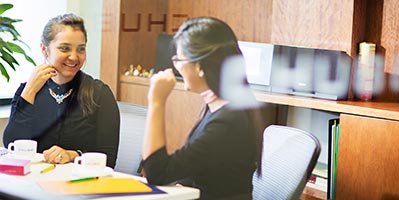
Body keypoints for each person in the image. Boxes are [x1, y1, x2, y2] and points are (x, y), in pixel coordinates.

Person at [140, 17, 263, 199]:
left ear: (199, 67)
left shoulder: (227, 123)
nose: (176, 67)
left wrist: (157, 101)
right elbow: (201, 167)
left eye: (178, 60)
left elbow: (156, 173)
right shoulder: (219, 108)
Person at [2, 13, 120, 168]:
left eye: (81, 49)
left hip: (80, 184)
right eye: (65, 48)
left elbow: (108, 160)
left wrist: (73, 155)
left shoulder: (99, 93)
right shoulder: (28, 90)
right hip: (34, 181)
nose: (74, 57)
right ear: (45, 50)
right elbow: (11, 144)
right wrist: (30, 91)